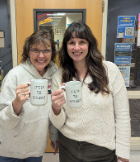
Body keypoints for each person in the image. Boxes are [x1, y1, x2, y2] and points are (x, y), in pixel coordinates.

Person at [50, 21, 131, 162]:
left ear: (90, 45)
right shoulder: (59, 77)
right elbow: (59, 123)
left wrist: (123, 155)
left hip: (102, 151)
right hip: (68, 148)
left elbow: (123, 116)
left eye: (82, 42)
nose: (76, 47)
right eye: (71, 42)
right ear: (65, 47)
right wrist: (56, 108)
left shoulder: (109, 71)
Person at [0, 29, 59, 162]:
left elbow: (53, 109)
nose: (41, 55)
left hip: (35, 150)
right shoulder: (15, 75)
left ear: (52, 52)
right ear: (28, 52)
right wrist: (17, 103)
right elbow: (0, 119)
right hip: (7, 151)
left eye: (46, 50)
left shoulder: (54, 75)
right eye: (36, 50)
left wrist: (54, 136)